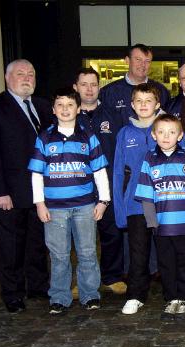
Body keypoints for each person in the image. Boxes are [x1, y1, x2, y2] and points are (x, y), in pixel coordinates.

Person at [0, 59, 52, 313]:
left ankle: (38, 287)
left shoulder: (43, 106)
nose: (27, 78)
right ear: (7, 78)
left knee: (38, 241)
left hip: (41, 192)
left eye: (31, 74)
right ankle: (13, 293)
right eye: (20, 74)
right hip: (10, 192)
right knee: (12, 245)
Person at [28, 87, 110, 314]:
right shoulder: (44, 137)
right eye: (60, 105)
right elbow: (36, 174)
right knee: (59, 255)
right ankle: (59, 297)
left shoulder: (88, 137)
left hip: (85, 206)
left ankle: (90, 295)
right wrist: (39, 204)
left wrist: (103, 201)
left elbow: (100, 171)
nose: (65, 109)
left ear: (79, 108)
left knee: (87, 252)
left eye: (70, 105)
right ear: (53, 110)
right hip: (54, 209)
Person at [114, 84, 184, 315]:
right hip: (136, 205)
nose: (144, 105)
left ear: (157, 104)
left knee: (168, 252)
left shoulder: (170, 128)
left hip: (168, 204)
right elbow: (117, 172)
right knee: (138, 252)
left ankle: (173, 296)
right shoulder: (125, 134)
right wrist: (120, 209)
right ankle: (135, 295)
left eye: (149, 101)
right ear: (132, 105)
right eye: (139, 101)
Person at [134, 114, 185, 321]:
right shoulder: (149, 159)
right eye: (161, 132)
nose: (166, 136)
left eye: (172, 132)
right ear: (153, 135)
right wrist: (151, 221)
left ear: (180, 135)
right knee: (166, 264)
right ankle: (171, 299)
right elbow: (146, 195)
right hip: (162, 225)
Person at [74, 67, 127, 296]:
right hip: (77, 186)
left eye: (93, 84)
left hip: (109, 185)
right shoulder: (69, 116)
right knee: (81, 236)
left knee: (112, 233)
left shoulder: (112, 115)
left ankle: (111, 277)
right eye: (84, 84)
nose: (89, 89)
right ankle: (83, 281)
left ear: (99, 87)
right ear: (76, 87)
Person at [99, 44, 170, 125]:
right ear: (127, 60)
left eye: (147, 61)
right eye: (138, 59)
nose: (143, 65)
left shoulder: (161, 91)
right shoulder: (109, 92)